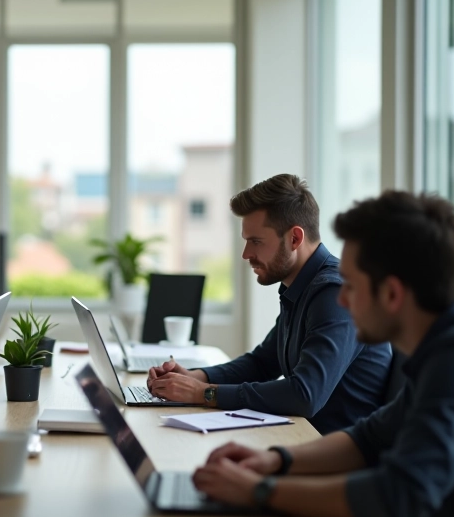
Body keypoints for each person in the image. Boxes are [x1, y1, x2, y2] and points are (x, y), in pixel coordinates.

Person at [191, 191, 454, 517]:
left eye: (352, 286)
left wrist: (261, 491)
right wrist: (276, 460)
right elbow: (368, 439)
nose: (341, 299)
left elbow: (395, 498)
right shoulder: (444, 350)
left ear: (392, 294)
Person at [148, 174, 391, 434]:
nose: (246, 254)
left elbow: (304, 394)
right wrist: (196, 378)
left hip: (336, 455)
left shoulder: (334, 294)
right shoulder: (301, 287)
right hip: (303, 439)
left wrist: (205, 394)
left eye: (256, 241)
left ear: (295, 238)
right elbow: (262, 363)